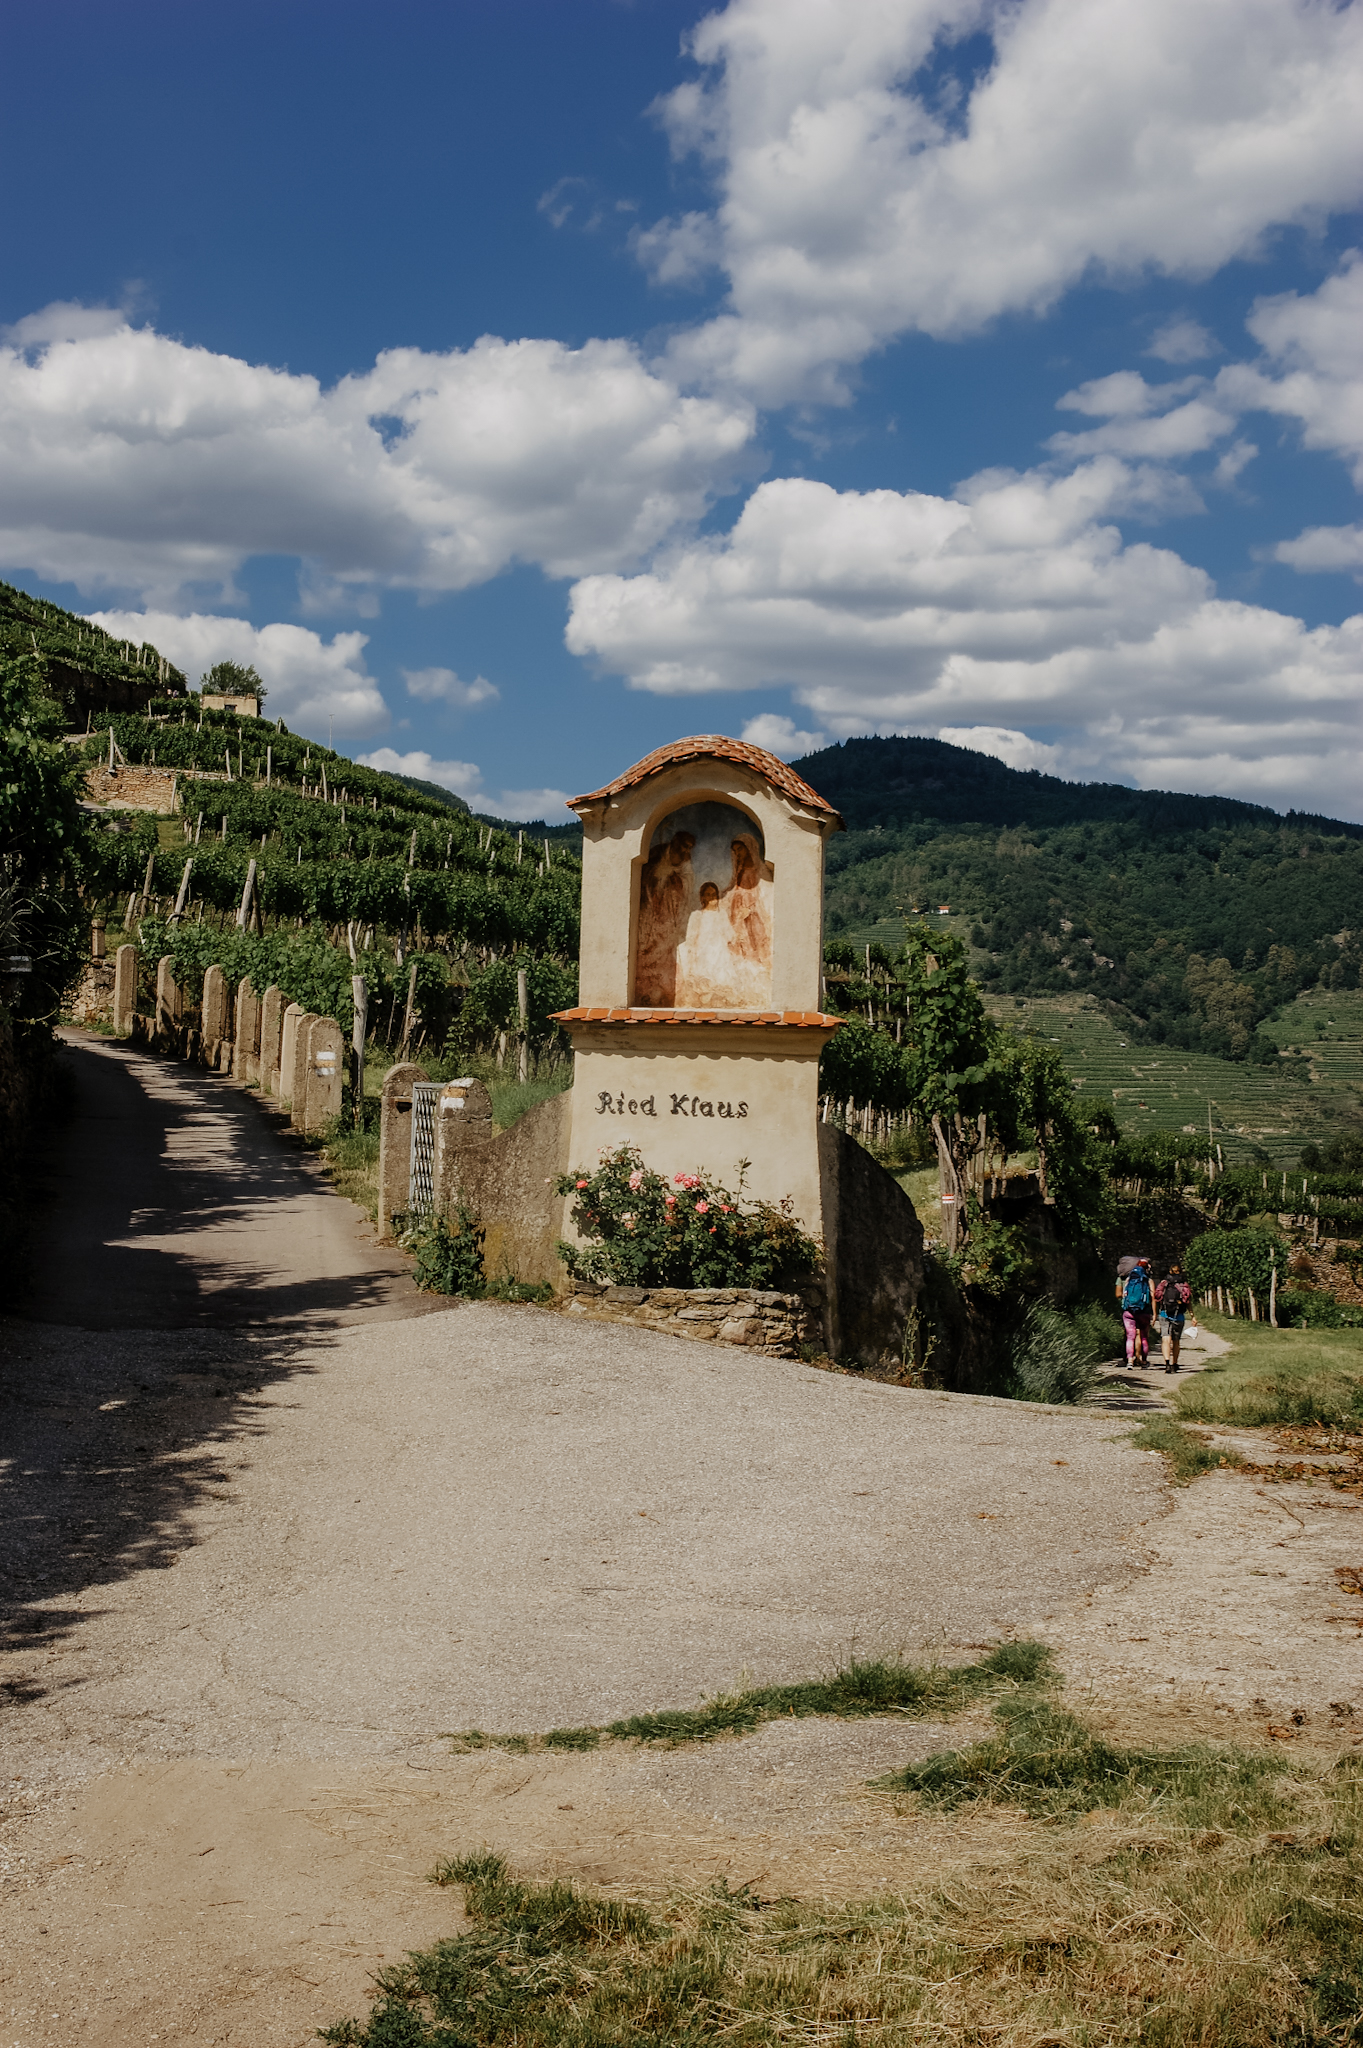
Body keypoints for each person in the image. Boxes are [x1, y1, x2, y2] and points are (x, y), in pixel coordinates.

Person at [1117, 1255, 1154, 1366]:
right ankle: (1143, 1360)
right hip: (1144, 1311)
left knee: (1130, 1336)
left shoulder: (1126, 1279)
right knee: (1143, 1337)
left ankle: (1129, 1360)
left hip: (1128, 1311)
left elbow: (1119, 1294)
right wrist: (1154, 1313)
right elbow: (1152, 1296)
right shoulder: (1148, 1280)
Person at [1156, 1261, 1191, 1373]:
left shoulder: (1164, 1283)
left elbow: (1157, 1296)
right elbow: (1188, 1300)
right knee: (1176, 1341)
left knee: (1165, 1339)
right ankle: (1175, 1364)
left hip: (1164, 1313)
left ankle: (1167, 1363)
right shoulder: (1183, 1285)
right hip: (1178, 1315)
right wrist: (1192, 1315)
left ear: (1170, 1271)